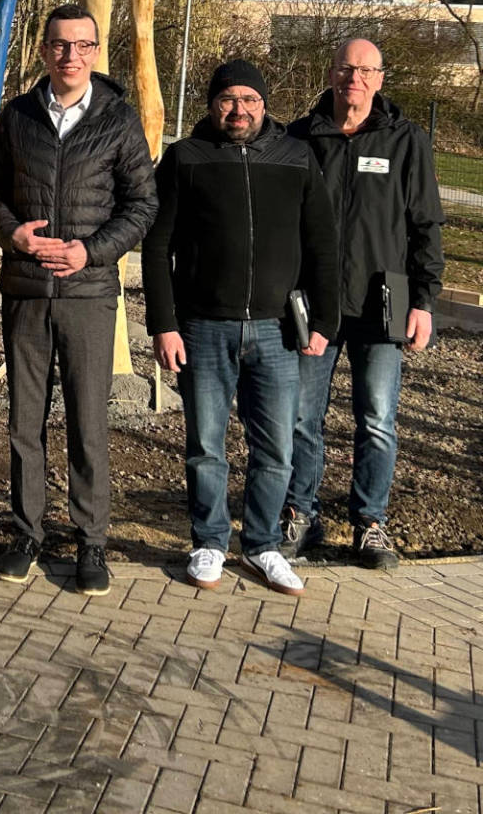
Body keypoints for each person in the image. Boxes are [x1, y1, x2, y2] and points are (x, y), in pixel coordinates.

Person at [142, 59, 339, 597]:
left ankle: (263, 545)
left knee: (275, 449)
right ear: (212, 104)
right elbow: (158, 247)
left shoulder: (296, 157)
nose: (238, 110)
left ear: (265, 104)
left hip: (278, 332)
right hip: (203, 327)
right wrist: (163, 323)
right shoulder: (185, 158)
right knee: (206, 445)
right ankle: (208, 540)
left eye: (250, 100)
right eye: (228, 99)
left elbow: (322, 245)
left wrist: (325, 320)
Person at [0, 4, 158, 596]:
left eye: (83, 45)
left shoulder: (118, 120)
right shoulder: (18, 117)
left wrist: (92, 252)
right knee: (24, 422)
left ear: (96, 50)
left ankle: (91, 542)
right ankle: (25, 532)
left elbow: (142, 205)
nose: (70, 56)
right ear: (44, 50)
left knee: (87, 423)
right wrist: (12, 233)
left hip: (87, 293)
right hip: (27, 291)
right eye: (60, 45)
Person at [282, 37, 444, 570]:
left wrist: (423, 300)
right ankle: (300, 514)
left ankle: (370, 523)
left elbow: (425, 226)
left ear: (380, 79)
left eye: (365, 70)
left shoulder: (406, 140)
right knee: (303, 417)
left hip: (386, 300)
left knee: (376, 419)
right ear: (331, 75)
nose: (354, 78)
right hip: (315, 303)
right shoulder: (301, 139)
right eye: (346, 68)